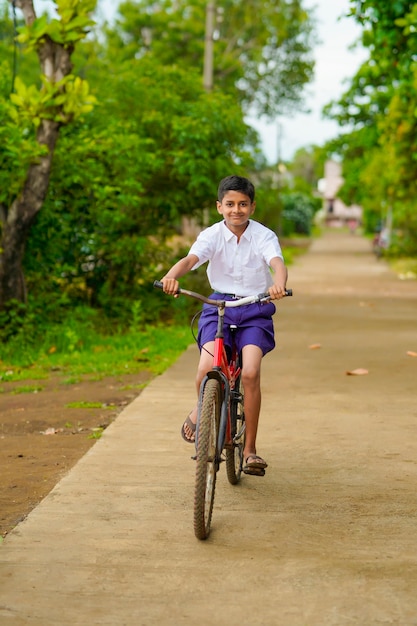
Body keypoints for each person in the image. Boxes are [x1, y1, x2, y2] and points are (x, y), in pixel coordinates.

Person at [160, 175, 288, 476]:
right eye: (230, 204)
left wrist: (279, 284)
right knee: (206, 368)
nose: (236, 210)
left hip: (254, 307)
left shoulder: (264, 235)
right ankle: (201, 411)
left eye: (243, 204)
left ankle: (250, 450)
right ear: (220, 207)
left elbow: (276, 263)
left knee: (251, 373)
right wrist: (171, 275)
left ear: (252, 207)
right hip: (219, 308)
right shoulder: (212, 235)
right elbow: (190, 259)